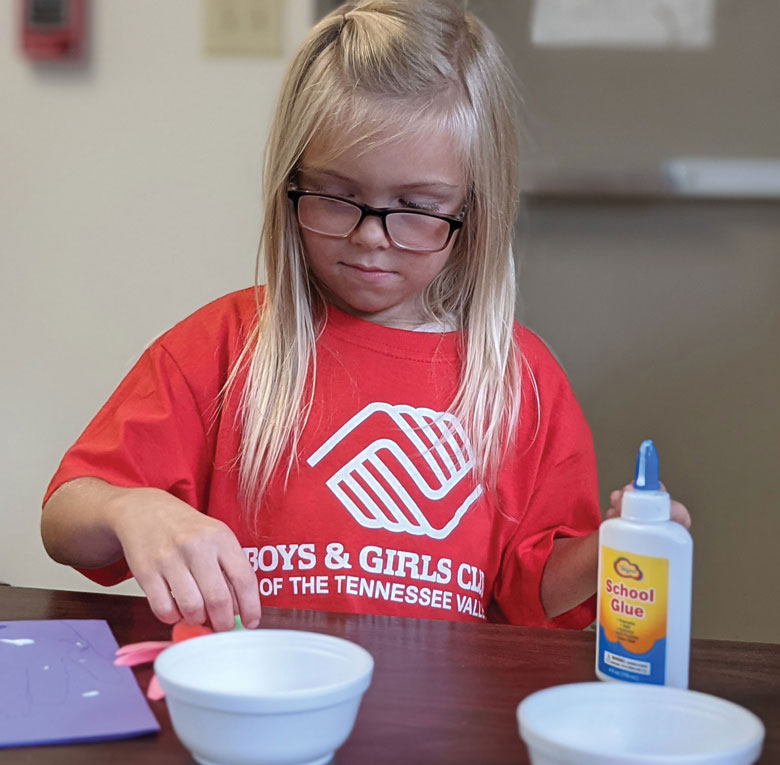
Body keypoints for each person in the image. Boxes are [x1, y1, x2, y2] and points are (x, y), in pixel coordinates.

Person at [41, 0, 690, 634]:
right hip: (250, 712)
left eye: (416, 205)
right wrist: (133, 507)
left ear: (475, 209)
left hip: (438, 729)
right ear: (289, 183)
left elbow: (536, 593)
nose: (370, 236)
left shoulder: (524, 383)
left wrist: (613, 549)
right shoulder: (222, 348)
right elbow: (65, 523)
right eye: (335, 195)